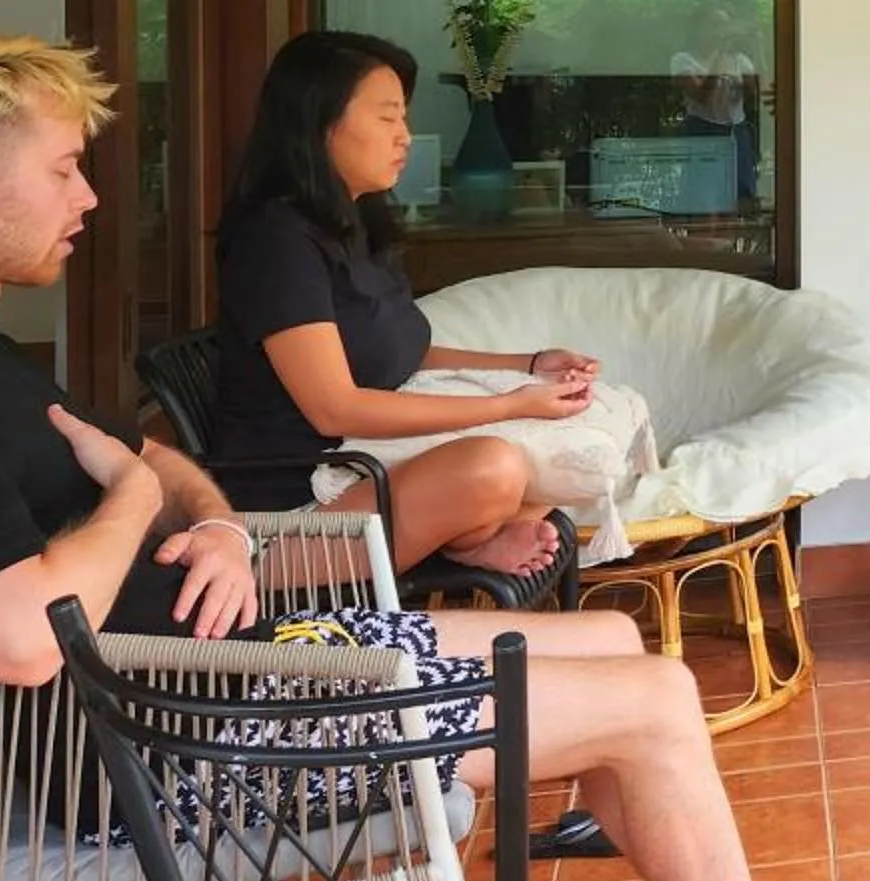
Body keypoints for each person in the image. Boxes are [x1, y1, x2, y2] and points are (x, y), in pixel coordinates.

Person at [0, 27, 870, 881]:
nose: (88, 195)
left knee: (604, 637)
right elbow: (16, 635)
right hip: (188, 748)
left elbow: (148, 456)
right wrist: (139, 503)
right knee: (656, 699)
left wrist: (219, 524)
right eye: (61, 169)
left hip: (244, 671)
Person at [211, 30, 599, 581]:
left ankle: (463, 540)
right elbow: (335, 408)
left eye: (404, 119)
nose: (406, 137)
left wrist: (530, 368)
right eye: (387, 117)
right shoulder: (275, 240)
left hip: (367, 470)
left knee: (572, 454)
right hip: (298, 508)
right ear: (320, 121)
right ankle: (459, 540)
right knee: (495, 467)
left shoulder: (353, 222)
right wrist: (509, 407)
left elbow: (403, 354)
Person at [673, 6, 762, 210]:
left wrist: (758, 46)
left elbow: (758, 93)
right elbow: (702, 96)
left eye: (724, 25)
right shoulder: (683, 60)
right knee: (704, 200)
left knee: (740, 198)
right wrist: (720, 54)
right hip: (703, 132)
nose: (721, 30)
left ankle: (730, 241)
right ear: (698, 29)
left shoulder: (740, 61)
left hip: (736, 133)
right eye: (714, 25)